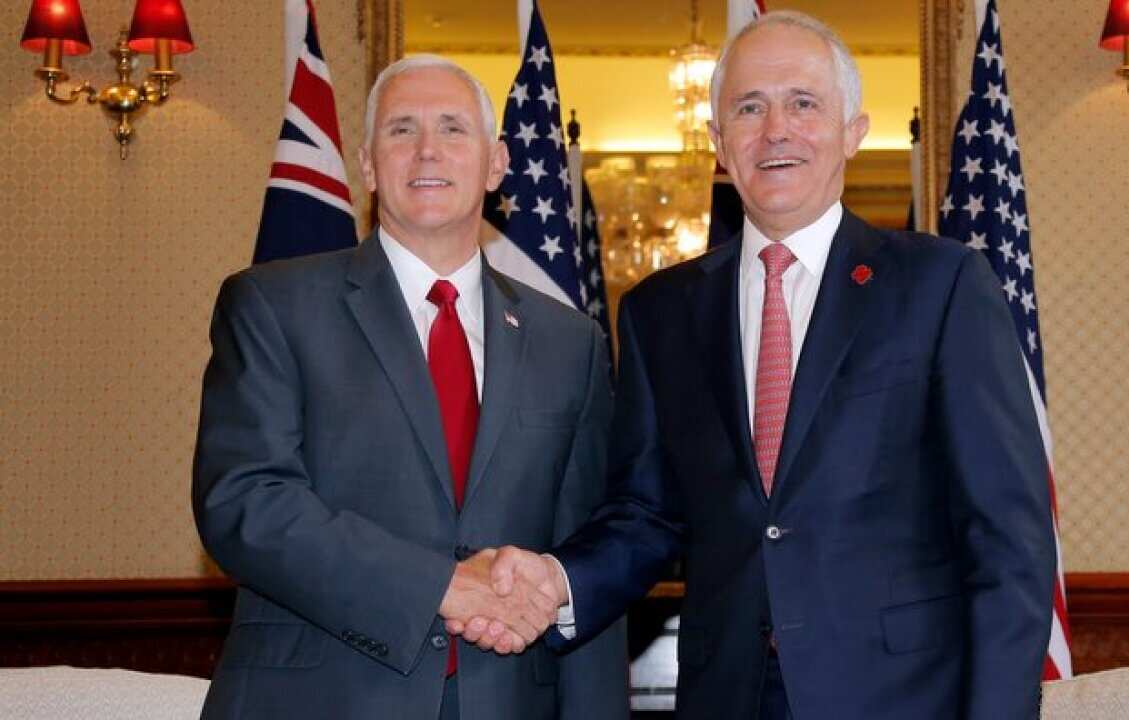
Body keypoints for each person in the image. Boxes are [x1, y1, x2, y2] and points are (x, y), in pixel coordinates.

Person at [466, 11, 1056, 720]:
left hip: (903, 698)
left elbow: (1007, 541)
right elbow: (647, 513)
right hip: (727, 693)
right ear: (720, 142)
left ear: (852, 130)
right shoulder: (660, 312)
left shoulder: (942, 286)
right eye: (749, 107)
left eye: (804, 103)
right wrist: (557, 579)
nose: (776, 129)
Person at [192, 55, 626, 720]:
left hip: (509, 700)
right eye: (401, 130)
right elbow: (246, 503)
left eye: (453, 129)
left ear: (496, 164)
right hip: (319, 700)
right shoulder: (273, 305)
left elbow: (585, 548)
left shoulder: (572, 343)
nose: (428, 149)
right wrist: (441, 587)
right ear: (367, 165)